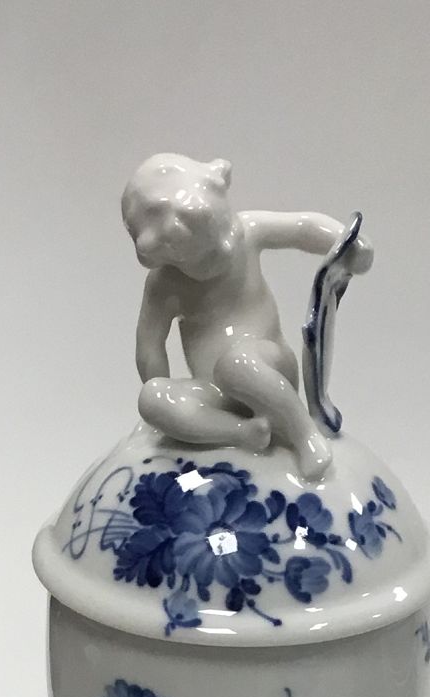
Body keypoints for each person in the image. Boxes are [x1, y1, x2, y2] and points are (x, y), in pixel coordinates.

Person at [122, 153, 373, 480]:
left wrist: (347, 245)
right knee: (153, 397)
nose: (217, 255)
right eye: (189, 257)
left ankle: (304, 435)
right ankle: (243, 432)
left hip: (268, 367)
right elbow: (149, 347)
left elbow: (302, 227)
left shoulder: (249, 230)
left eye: (219, 240)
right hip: (214, 395)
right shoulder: (164, 285)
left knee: (235, 365)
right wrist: (162, 406)